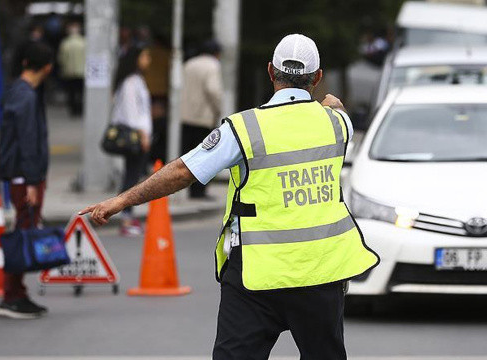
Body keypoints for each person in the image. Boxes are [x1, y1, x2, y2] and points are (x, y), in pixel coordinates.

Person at [80, 34, 379, 359]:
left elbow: (183, 171)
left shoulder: (243, 129)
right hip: (320, 273)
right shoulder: (337, 124)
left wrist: (122, 201)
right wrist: (331, 104)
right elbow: (335, 107)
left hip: (255, 276)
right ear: (318, 77)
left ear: (270, 72)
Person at [0, 42, 54, 319]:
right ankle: (12, 296)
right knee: (23, 233)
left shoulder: (16, 91)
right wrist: (33, 181)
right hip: (24, 177)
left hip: (20, 174)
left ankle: (16, 293)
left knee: (23, 229)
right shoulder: (27, 96)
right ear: (47, 67)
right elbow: (28, 141)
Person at [110, 46, 152, 236]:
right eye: (145, 55)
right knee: (131, 177)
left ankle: (127, 215)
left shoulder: (136, 80)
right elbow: (131, 113)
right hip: (135, 136)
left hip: (139, 135)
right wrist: (143, 135)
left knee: (133, 175)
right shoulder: (130, 82)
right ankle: (126, 217)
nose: (148, 59)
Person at [180, 39, 223, 199]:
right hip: (203, 117)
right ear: (216, 53)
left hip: (186, 115)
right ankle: (199, 191)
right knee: (205, 156)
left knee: (189, 155)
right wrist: (218, 109)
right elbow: (213, 90)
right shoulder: (212, 65)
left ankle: (190, 189)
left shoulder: (189, 64)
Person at [57, 22, 85, 117]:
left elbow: (61, 58)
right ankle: (80, 109)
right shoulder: (84, 42)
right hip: (82, 71)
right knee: (81, 92)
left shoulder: (65, 43)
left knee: (71, 92)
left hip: (69, 71)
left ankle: (73, 109)